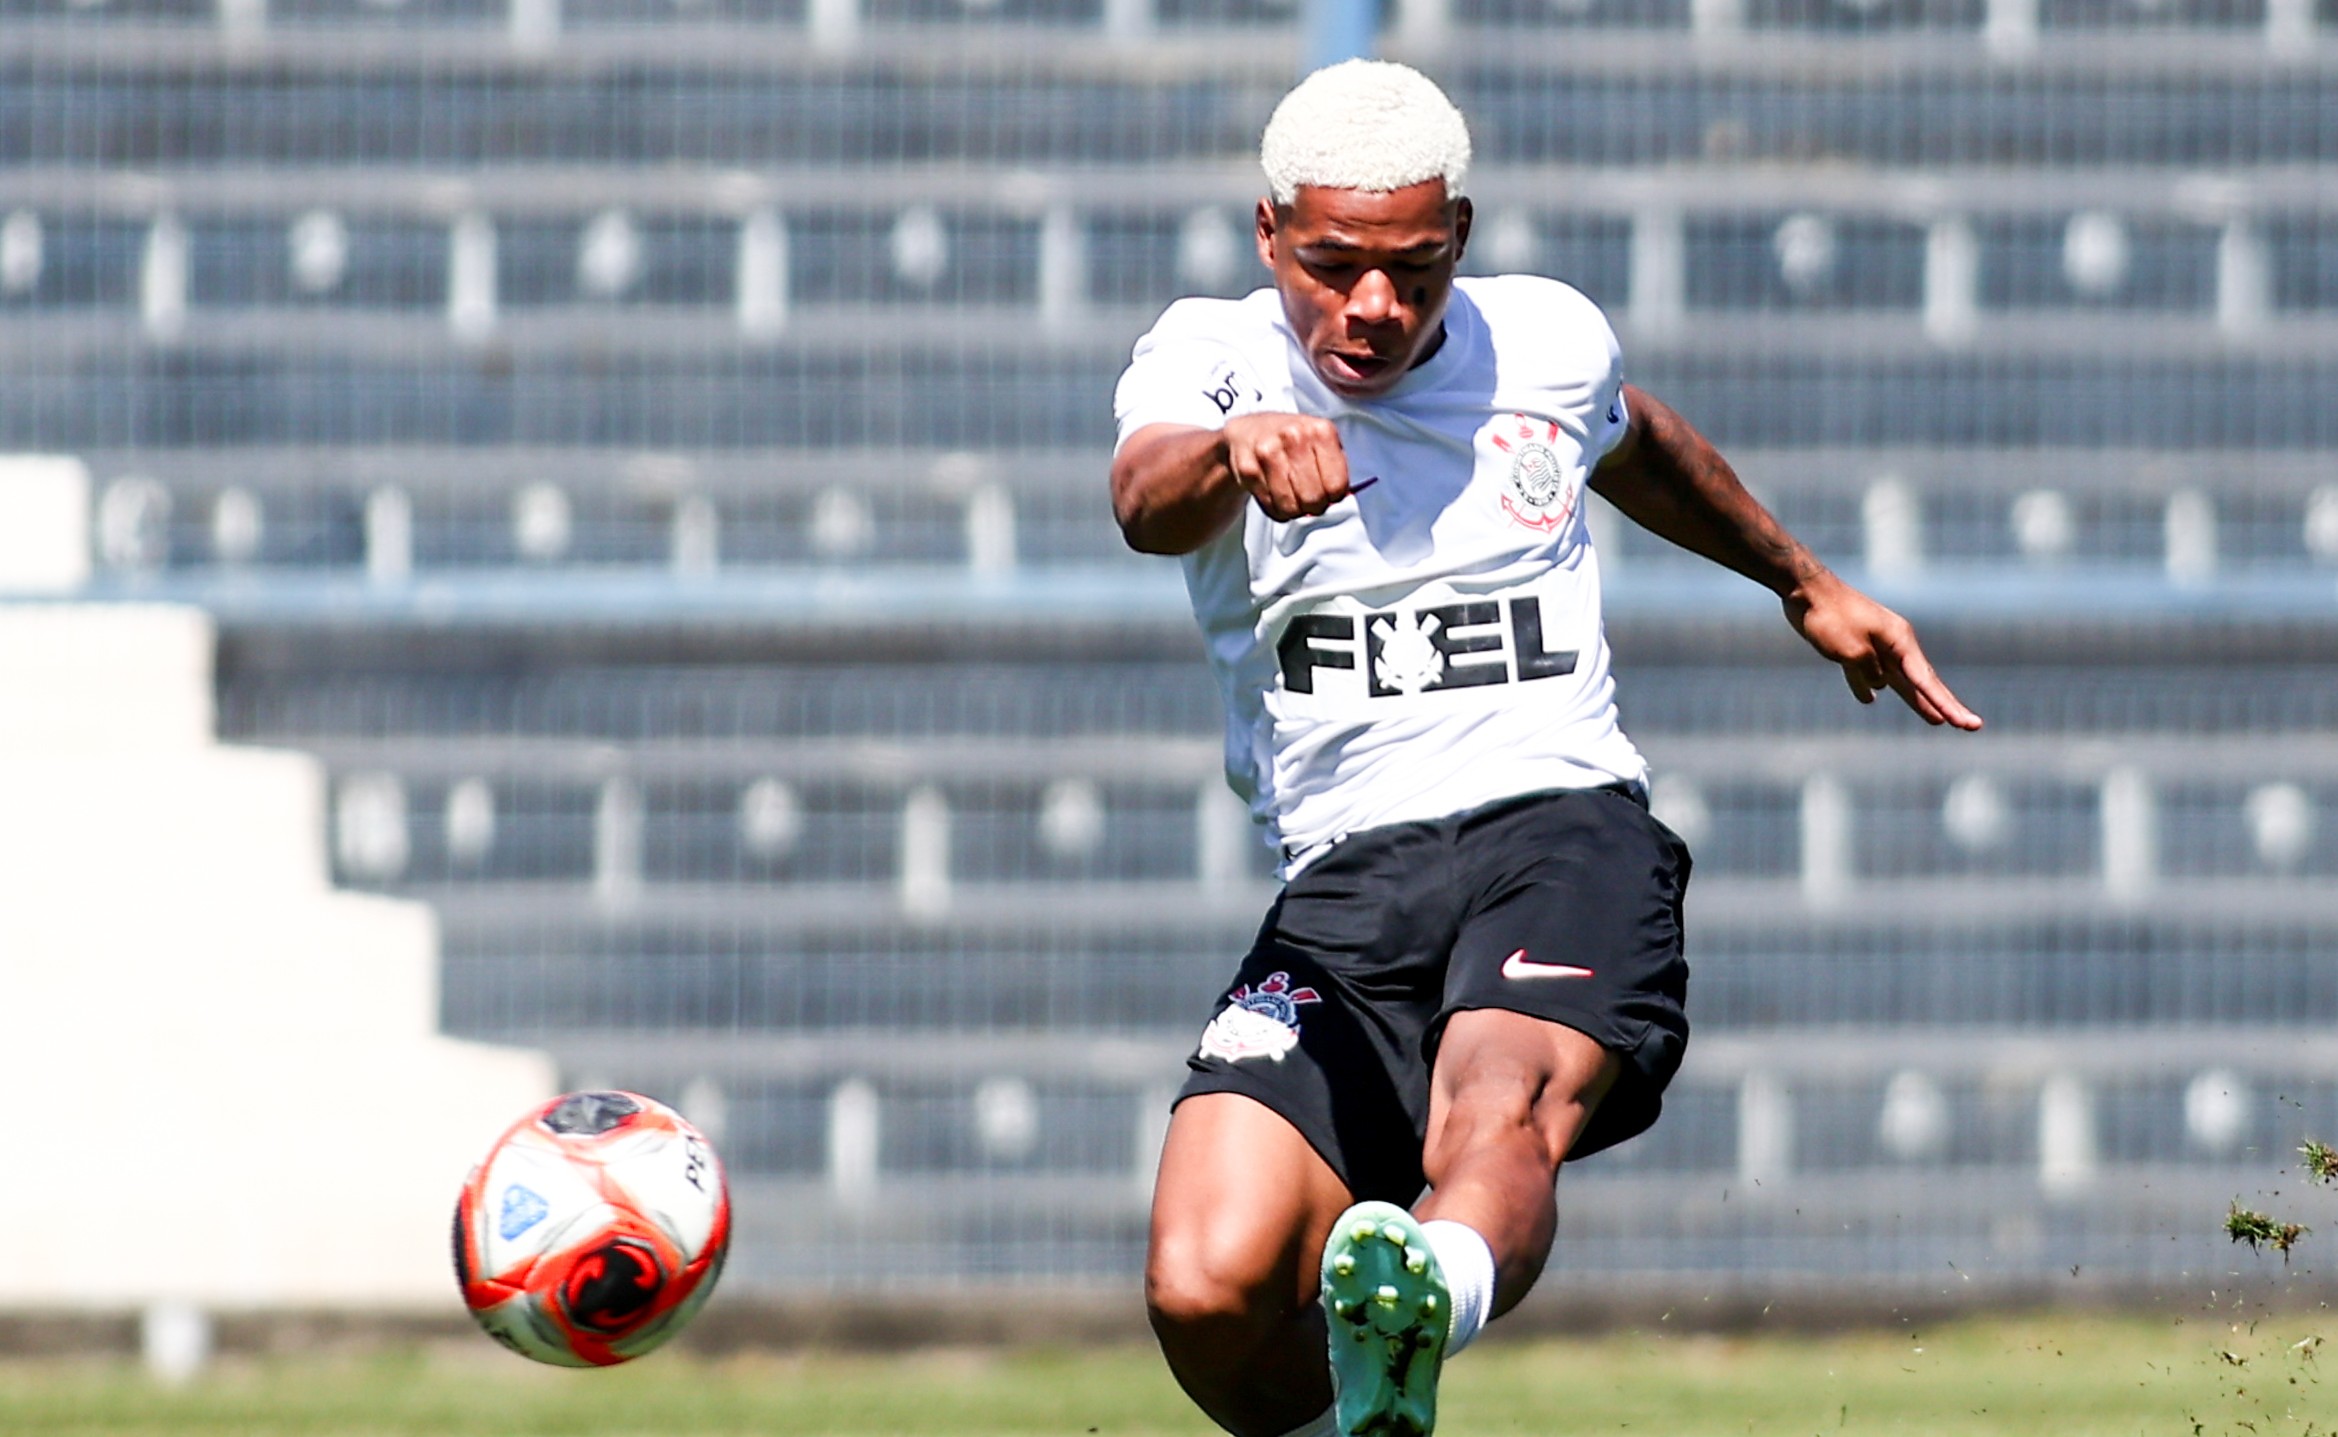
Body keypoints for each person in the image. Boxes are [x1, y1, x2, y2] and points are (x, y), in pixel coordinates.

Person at [1109, 60, 1982, 1437]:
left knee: (1493, 1102)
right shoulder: (1207, 358)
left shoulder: (1546, 342)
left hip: (1556, 824)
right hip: (1342, 878)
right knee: (1203, 1285)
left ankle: (1426, 1292)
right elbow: (1143, 498)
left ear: (1458, 236)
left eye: (1409, 268)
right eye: (1333, 266)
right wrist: (1230, 448)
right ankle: (1364, 1407)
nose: (1373, 306)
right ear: (1267, 232)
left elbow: (1634, 439)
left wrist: (1803, 580)